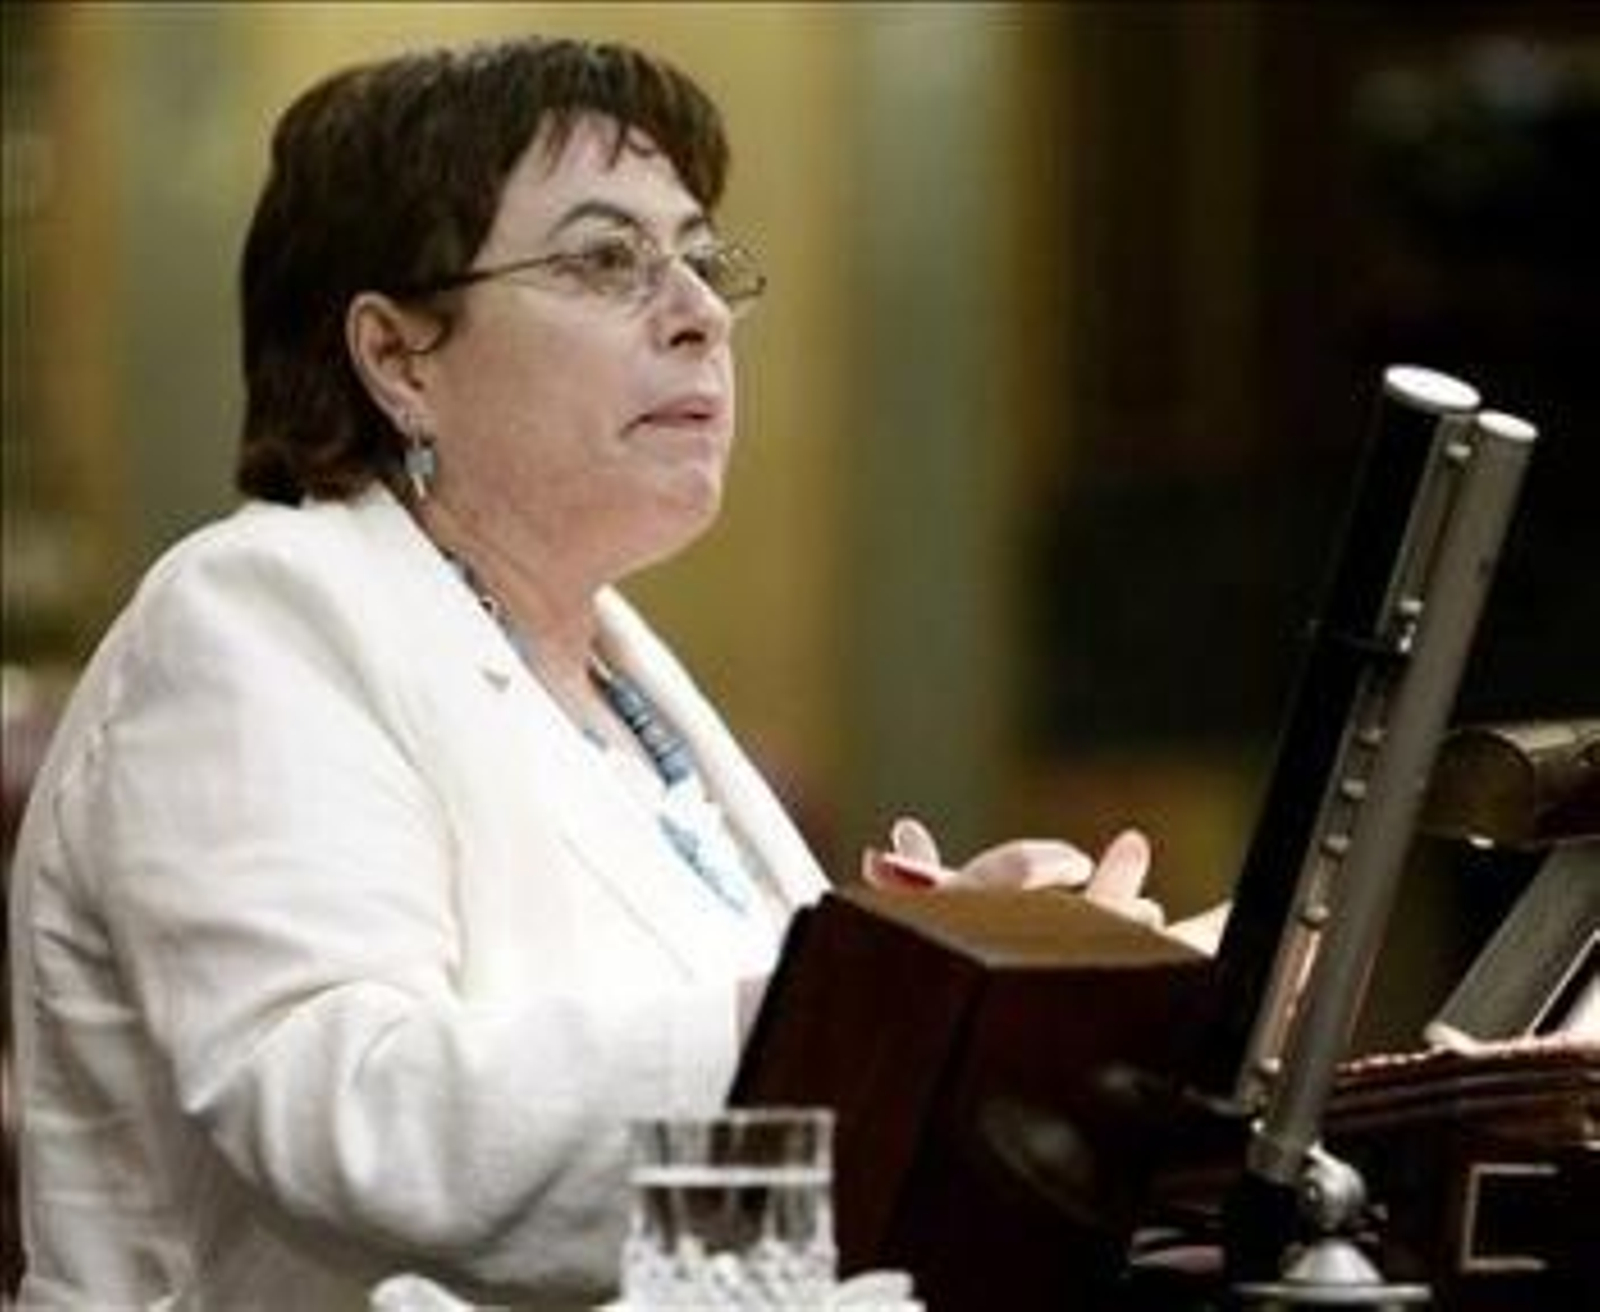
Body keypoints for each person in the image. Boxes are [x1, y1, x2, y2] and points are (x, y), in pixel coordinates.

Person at [6, 36, 1205, 1310]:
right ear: (400, 357)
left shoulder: (624, 686)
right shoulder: (257, 613)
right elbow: (353, 1115)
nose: (693, 308)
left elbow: (711, 1208)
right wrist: (874, 1012)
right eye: (605, 259)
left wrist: (975, 1004)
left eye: (698, 255)